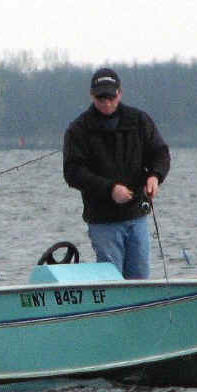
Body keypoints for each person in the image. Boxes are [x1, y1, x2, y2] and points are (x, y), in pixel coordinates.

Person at [63, 67, 170, 278]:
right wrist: (110, 189)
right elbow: (73, 172)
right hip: (102, 220)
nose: (106, 103)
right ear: (92, 95)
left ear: (120, 94)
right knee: (112, 278)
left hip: (137, 214)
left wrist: (155, 176)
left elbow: (160, 153)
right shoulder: (78, 129)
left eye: (111, 97)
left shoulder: (139, 120)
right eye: (101, 98)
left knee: (140, 277)